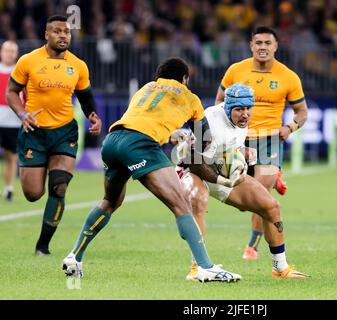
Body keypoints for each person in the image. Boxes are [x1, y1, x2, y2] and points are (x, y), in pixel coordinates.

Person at [62, 57, 242, 283]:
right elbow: (205, 140)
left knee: (110, 201)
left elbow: (145, 120)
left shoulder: (146, 88)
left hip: (113, 141)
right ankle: (205, 268)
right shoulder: (190, 97)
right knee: (182, 205)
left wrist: (172, 135)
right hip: (140, 146)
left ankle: (75, 256)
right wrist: (192, 147)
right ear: (185, 78)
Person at [179, 83, 310, 280]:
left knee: (270, 206)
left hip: (219, 172)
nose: (245, 114)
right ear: (227, 107)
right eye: (240, 109)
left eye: (249, 108)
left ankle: (280, 268)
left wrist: (244, 155)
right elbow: (194, 161)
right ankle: (197, 268)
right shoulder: (209, 121)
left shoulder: (242, 120)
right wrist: (223, 179)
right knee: (198, 200)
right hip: (192, 170)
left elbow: (231, 147)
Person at [6, 15, 102, 255]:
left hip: (64, 132)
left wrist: (92, 115)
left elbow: (86, 96)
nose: (63, 36)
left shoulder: (78, 65)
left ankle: (43, 246)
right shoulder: (28, 61)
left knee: (59, 187)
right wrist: (22, 114)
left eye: (67, 32)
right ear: (46, 35)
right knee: (32, 194)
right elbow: (11, 91)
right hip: (33, 133)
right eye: (58, 31)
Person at [215, 26, 308, 260]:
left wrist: (290, 127)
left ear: (276, 46)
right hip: (239, 139)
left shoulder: (288, 76)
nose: (263, 47)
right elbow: (219, 102)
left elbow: (302, 112)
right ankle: (274, 175)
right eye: (259, 43)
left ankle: (252, 247)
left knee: (261, 193)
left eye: (268, 43)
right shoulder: (236, 71)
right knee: (243, 200)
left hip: (270, 141)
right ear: (251, 45)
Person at [0, 40, 20, 202]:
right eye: (7, 50)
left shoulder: (19, 73)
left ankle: (8, 188)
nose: (10, 54)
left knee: (10, 156)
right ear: (1, 52)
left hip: (13, 121)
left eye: (13, 51)